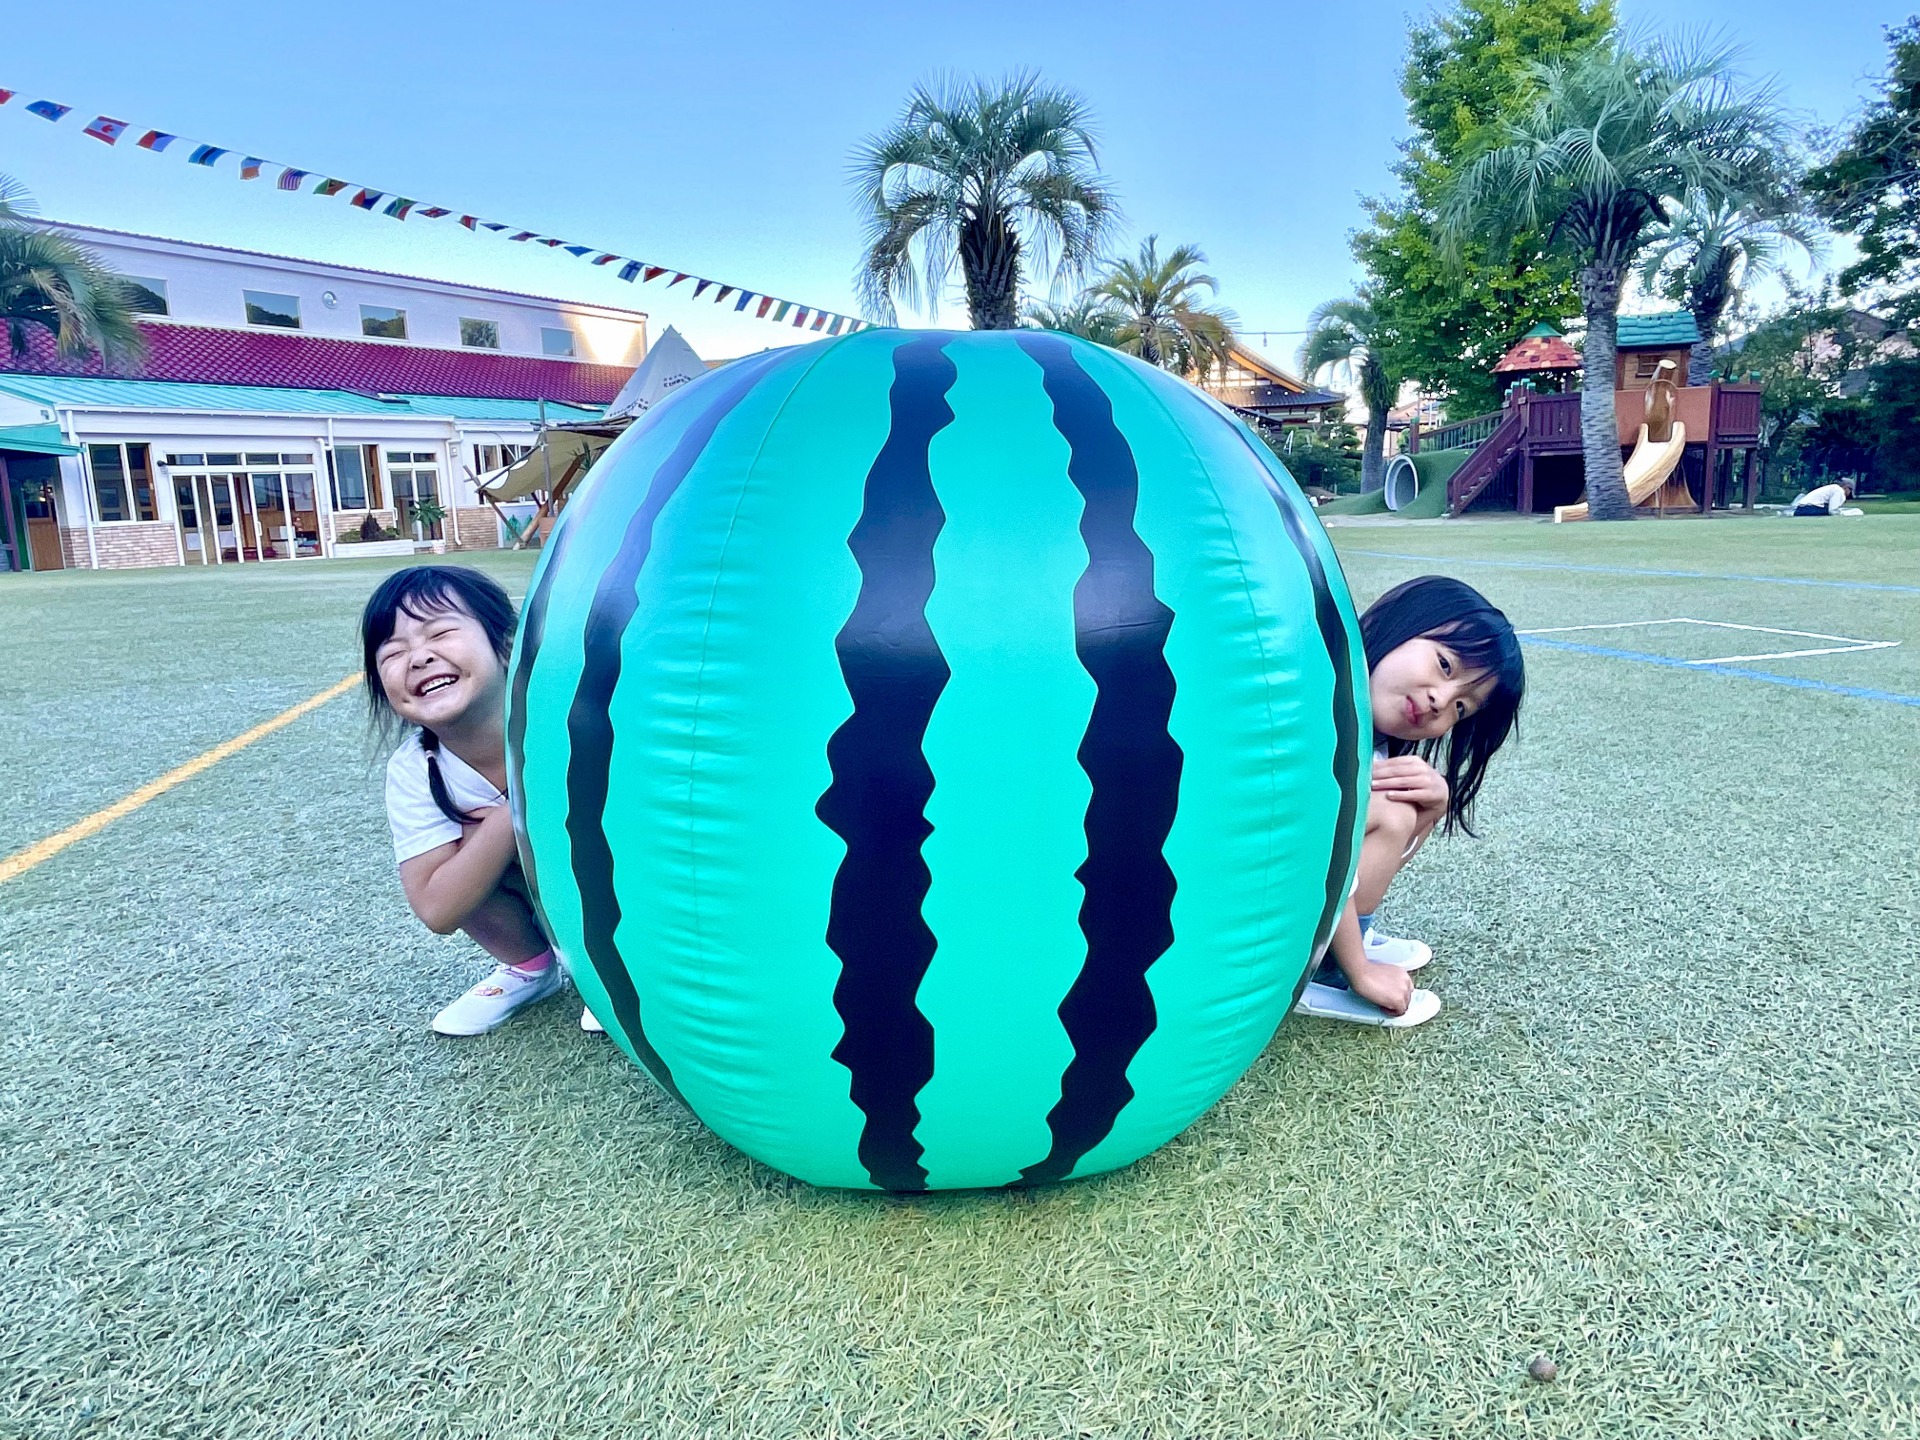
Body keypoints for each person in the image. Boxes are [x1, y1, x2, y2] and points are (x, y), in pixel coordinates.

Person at [362, 565, 598, 1037]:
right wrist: (513, 813)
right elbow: (437, 907)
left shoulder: (566, 719)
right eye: (393, 653)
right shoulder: (417, 770)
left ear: (506, 644)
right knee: (452, 855)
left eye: (441, 632)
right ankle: (529, 967)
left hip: (610, 888)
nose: (419, 658)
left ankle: (614, 967)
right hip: (521, 891)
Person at [1295, 576, 1526, 1029]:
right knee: (1383, 809)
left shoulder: (1371, 739)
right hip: (1229, 896)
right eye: (1444, 664)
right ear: (1399, 622)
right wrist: (1360, 970)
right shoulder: (1319, 705)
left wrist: (1434, 810)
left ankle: (1340, 941)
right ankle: (1320, 961)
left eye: (1462, 708)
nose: (1442, 700)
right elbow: (1317, 848)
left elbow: (1368, 863)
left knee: (1402, 804)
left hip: (1284, 888)